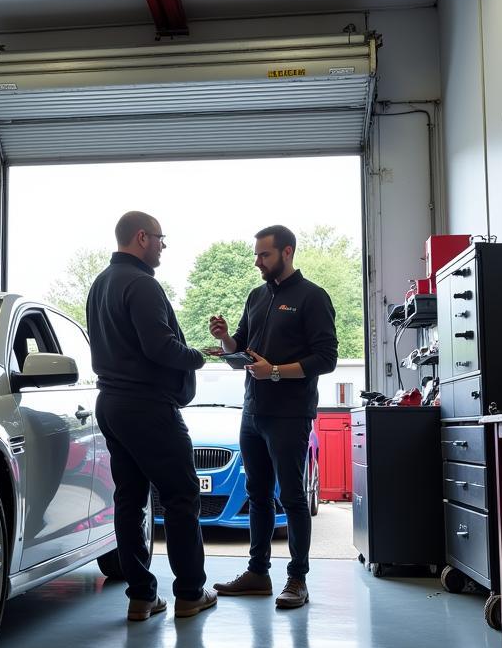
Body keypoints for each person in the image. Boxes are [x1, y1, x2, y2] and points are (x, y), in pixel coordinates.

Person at [86, 211, 217, 622]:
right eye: (161, 238)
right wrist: (198, 356)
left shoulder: (101, 284)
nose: (163, 245)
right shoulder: (142, 284)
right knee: (181, 497)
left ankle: (141, 597)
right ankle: (191, 593)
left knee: (129, 501)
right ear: (141, 237)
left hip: (111, 403)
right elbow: (159, 347)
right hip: (147, 406)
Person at [208, 224, 337, 609]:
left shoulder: (312, 297)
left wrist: (276, 370)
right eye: (256, 255)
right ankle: (257, 573)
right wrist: (226, 341)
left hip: (289, 414)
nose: (257, 262)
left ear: (287, 252)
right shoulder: (256, 296)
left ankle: (297, 579)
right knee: (257, 495)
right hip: (253, 412)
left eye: (264, 255)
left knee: (293, 497)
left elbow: (326, 358)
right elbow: (245, 352)